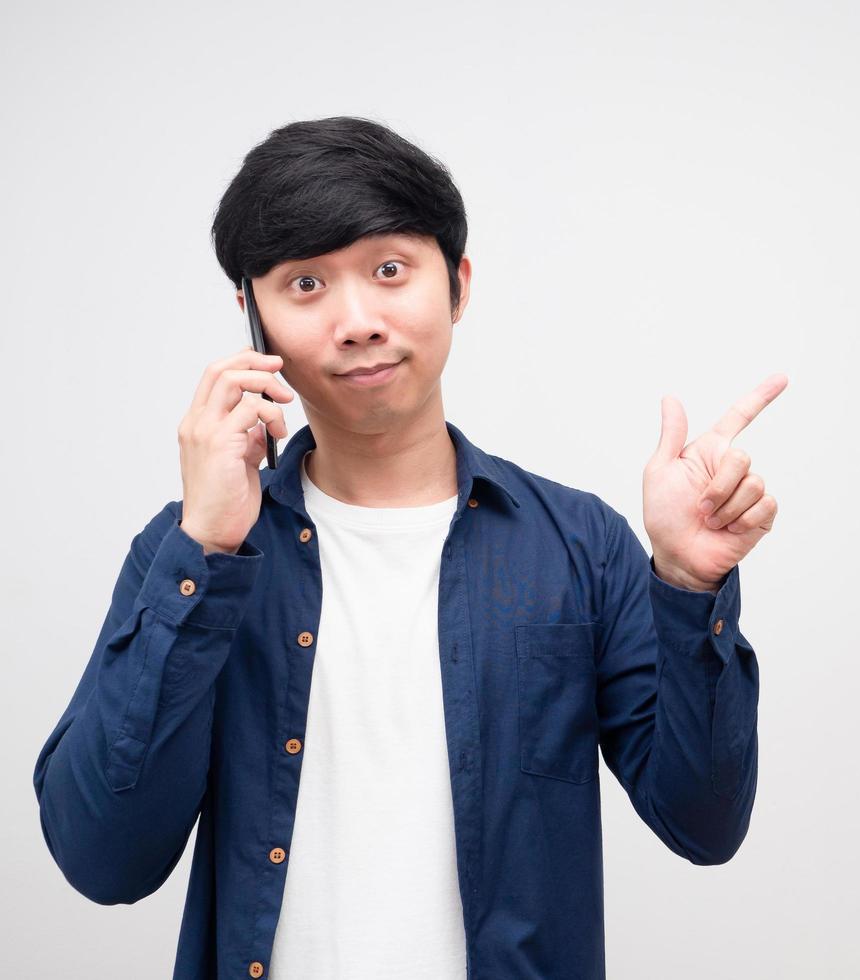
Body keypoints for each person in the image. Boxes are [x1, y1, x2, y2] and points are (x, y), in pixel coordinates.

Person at [32, 115, 783, 979]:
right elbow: (102, 861)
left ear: (457, 285)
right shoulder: (188, 552)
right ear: (253, 318)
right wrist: (203, 546)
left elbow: (705, 823)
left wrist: (687, 584)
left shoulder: (580, 545)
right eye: (305, 284)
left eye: (390, 271)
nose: (357, 321)